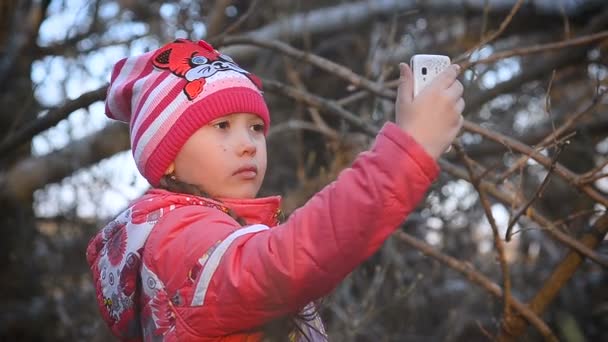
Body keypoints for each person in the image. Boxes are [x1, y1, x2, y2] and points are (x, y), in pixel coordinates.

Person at [86, 38, 464, 341]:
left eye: (255, 127)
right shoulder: (179, 241)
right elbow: (291, 261)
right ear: (166, 156)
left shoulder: (206, 232)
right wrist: (408, 150)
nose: (249, 143)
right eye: (222, 126)